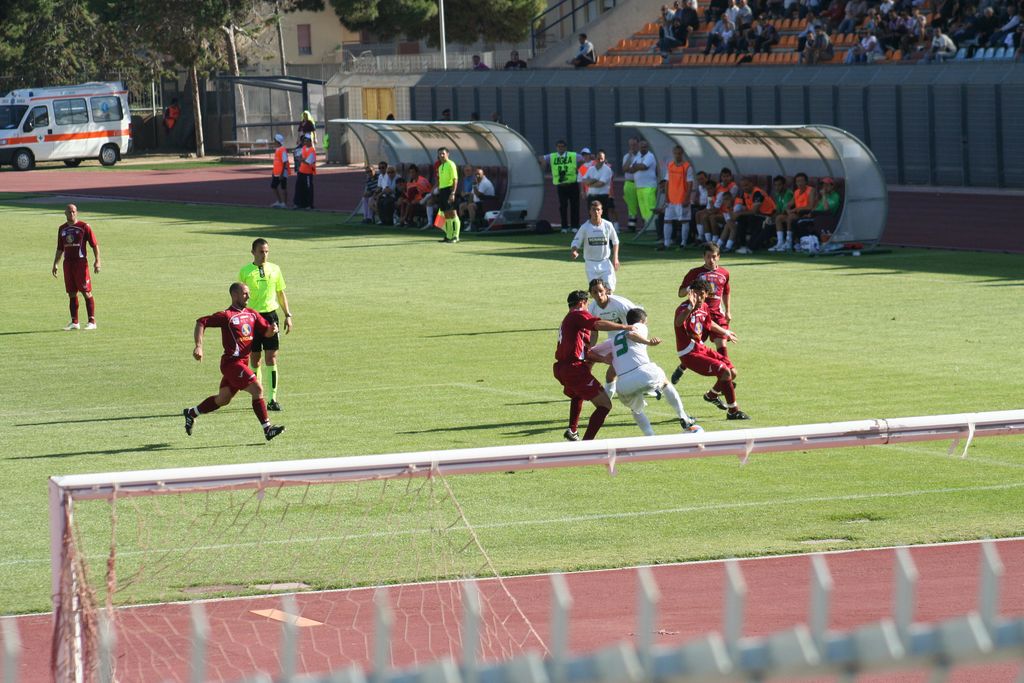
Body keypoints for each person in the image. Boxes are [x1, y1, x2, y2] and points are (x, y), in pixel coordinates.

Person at [183, 282, 285, 441]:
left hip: (241, 364)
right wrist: (198, 346)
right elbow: (201, 322)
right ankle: (267, 429)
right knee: (257, 389)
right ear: (235, 295)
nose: (248, 296)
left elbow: (266, 332)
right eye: (245, 293)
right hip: (232, 364)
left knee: (223, 399)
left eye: (248, 293)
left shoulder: (252, 314)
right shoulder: (227, 316)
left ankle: (191, 413)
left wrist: (272, 330)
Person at [554, 290, 634, 441]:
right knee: (605, 405)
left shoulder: (567, 321)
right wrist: (624, 327)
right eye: (587, 304)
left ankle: (572, 430)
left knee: (578, 394)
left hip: (563, 368)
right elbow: (597, 324)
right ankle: (587, 444)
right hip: (574, 369)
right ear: (581, 303)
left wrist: (603, 359)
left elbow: (585, 352)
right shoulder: (578, 314)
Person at [611, 307, 700, 436]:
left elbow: (594, 352)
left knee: (636, 410)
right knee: (665, 383)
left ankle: (650, 437)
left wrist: (604, 359)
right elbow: (631, 334)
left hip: (623, 384)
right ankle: (684, 417)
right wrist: (648, 342)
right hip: (644, 373)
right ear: (642, 320)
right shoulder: (639, 326)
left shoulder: (615, 338)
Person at [673, 280, 749, 420]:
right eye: (695, 294)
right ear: (690, 294)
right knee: (724, 371)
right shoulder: (683, 308)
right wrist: (690, 307)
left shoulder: (705, 307)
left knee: (732, 372)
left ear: (707, 294)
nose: (698, 298)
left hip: (701, 348)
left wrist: (725, 332)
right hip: (688, 353)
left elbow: (709, 323)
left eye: (701, 294)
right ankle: (733, 411)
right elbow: (678, 323)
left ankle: (712, 395)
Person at [238, 238, 293, 412]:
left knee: (271, 357)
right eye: (261, 251)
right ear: (253, 252)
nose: (264, 255)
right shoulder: (245, 271)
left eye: (267, 251)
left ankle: (272, 399)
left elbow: (281, 293)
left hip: (270, 318)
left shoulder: (275, 269)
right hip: (252, 319)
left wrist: (288, 315)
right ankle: (258, 396)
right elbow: (240, 297)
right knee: (255, 359)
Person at [675, 241, 732, 381]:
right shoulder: (695, 273)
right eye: (708, 257)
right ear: (703, 257)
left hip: (717, 315)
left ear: (718, 256)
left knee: (721, 342)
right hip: (699, 314)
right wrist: (690, 288)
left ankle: (726, 374)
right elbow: (680, 293)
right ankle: (684, 365)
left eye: (714, 256)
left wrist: (728, 311)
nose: (711, 260)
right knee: (697, 346)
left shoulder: (724, 273)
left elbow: (726, 292)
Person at [585, 278, 637, 398]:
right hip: (613, 342)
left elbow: (640, 318)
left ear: (606, 290)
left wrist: (638, 338)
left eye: (601, 291)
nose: (599, 295)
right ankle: (584, 383)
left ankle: (607, 400)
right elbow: (594, 332)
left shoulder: (620, 304)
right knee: (589, 356)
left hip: (629, 340)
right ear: (591, 294)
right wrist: (590, 348)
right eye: (595, 292)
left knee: (612, 374)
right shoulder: (592, 308)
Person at [52, 204, 101, 331]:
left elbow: (94, 245)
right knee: (71, 293)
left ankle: (92, 321)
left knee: (86, 291)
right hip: (68, 264)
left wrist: (97, 261)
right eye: (69, 212)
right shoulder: (62, 229)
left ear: (77, 212)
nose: (72, 214)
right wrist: (55, 264)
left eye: (73, 211)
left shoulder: (84, 227)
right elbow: (60, 248)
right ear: (65, 213)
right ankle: (75, 322)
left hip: (80, 264)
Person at [571, 201, 621, 291]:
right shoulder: (585, 227)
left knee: (609, 290)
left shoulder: (608, 225)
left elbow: (615, 241)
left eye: (598, 209)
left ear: (601, 211)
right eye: (593, 210)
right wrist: (574, 251)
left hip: (605, 263)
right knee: (596, 290)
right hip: (591, 264)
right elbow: (576, 242)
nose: (596, 212)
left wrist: (615, 257)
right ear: (590, 211)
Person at [658, 145, 697, 251]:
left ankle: (683, 243)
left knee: (684, 221)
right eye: (675, 153)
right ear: (673, 153)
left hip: (682, 198)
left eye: (679, 153)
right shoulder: (670, 165)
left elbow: (690, 183)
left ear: (682, 154)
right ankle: (666, 243)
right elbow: (667, 181)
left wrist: (687, 198)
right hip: (671, 198)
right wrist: (666, 196)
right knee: (667, 220)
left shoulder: (687, 166)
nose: (677, 155)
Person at [538, 140, 580, 232]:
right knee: (563, 207)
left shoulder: (572, 155)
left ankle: (575, 226)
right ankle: (564, 227)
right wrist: (543, 166)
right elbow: (540, 158)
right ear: (556, 147)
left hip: (572, 184)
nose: (560, 148)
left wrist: (581, 172)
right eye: (559, 146)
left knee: (574, 206)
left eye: (562, 146)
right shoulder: (552, 156)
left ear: (565, 147)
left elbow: (584, 159)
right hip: (561, 186)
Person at [627, 139, 658, 232]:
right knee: (643, 209)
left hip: (649, 186)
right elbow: (630, 169)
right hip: (639, 186)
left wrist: (636, 166)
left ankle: (653, 227)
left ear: (647, 147)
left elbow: (644, 166)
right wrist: (637, 166)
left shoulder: (650, 156)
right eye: (641, 147)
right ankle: (647, 226)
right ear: (639, 147)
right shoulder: (638, 156)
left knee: (650, 207)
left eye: (645, 147)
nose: (643, 148)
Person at [581, 150, 617, 227]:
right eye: (598, 158)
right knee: (591, 216)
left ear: (604, 159)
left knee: (603, 217)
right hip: (591, 196)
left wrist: (590, 183)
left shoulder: (607, 169)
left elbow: (601, 184)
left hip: (602, 196)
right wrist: (595, 179)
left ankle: (606, 232)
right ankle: (594, 231)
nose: (600, 160)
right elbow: (584, 181)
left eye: (601, 159)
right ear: (595, 159)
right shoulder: (591, 169)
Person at [436, 147, 461, 243]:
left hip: (449, 190)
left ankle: (456, 236)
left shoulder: (451, 164)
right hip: (442, 191)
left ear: (448, 154)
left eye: (443, 153)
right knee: (446, 214)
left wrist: (453, 193)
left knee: (453, 213)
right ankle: (449, 236)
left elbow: (455, 179)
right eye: (440, 154)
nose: (441, 155)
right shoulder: (440, 167)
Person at [621, 138, 641, 232]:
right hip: (629, 182)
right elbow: (625, 169)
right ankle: (632, 226)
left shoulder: (642, 156)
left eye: (634, 145)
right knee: (631, 206)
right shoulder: (627, 156)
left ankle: (647, 225)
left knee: (643, 204)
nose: (632, 147)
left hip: (640, 183)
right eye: (631, 145)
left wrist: (632, 169)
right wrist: (630, 157)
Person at [292, 133, 316, 210]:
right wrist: (302, 159)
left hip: (308, 173)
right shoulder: (303, 148)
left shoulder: (312, 150)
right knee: (299, 187)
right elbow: (298, 157)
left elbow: (308, 162)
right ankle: (298, 203)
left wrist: (302, 159)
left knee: (308, 188)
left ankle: (309, 204)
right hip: (301, 171)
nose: (305, 142)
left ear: (310, 141)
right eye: (304, 140)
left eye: (306, 141)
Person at [270, 133, 290, 208]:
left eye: (275, 140)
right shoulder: (277, 149)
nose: (274, 141)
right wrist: (273, 172)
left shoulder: (282, 149)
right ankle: (279, 201)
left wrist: (282, 173)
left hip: (282, 173)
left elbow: (285, 162)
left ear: (278, 141)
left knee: (283, 187)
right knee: (273, 186)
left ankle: (284, 203)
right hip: (276, 172)